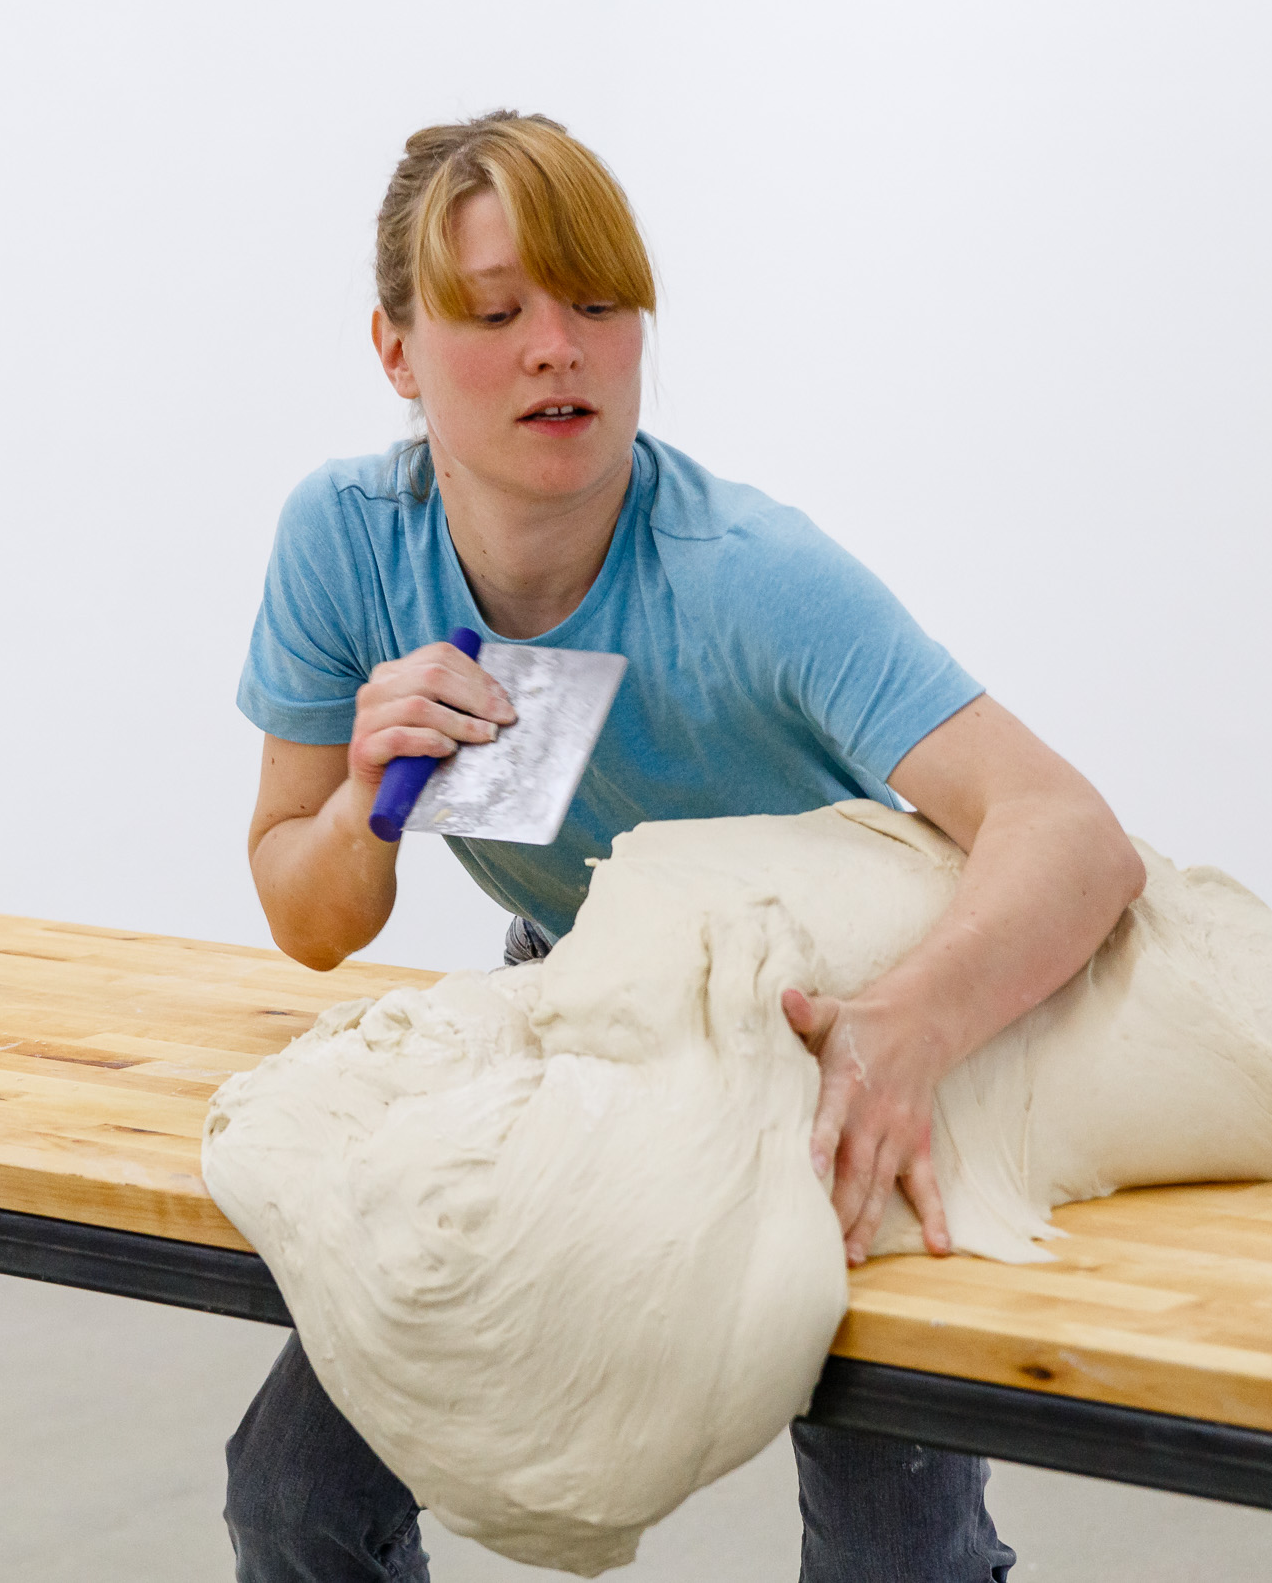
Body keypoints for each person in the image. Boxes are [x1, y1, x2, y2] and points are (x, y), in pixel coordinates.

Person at [228, 110, 1143, 1583]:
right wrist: (359, 804)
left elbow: (1074, 836)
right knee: (293, 1497)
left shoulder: (749, 576)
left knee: (895, 1563)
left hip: (837, 1030)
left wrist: (903, 1034)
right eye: (497, 312)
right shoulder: (345, 542)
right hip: (576, 991)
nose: (559, 350)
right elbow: (309, 915)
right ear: (397, 350)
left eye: (600, 304)